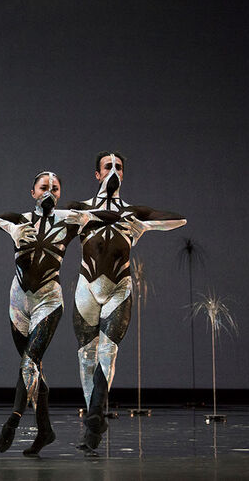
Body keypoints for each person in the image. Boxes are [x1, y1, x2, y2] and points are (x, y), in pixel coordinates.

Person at [0, 172, 115, 456]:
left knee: (29, 362)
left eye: (55, 188)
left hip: (49, 300)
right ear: (33, 192)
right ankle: (45, 430)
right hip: (18, 302)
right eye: (44, 187)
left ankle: (13, 420)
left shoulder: (67, 219)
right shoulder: (20, 219)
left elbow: (109, 217)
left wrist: (87, 218)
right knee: (34, 370)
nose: (49, 192)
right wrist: (9, 228)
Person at [68, 152, 186, 455]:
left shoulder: (133, 213)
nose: (113, 171)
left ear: (123, 174)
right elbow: (52, 222)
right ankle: (93, 417)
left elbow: (178, 220)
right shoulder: (81, 209)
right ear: (97, 174)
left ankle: (94, 421)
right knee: (86, 357)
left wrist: (138, 223)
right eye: (108, 167)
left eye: (118, 167)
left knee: (108, 352)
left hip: (119, 288)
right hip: (87, 289)